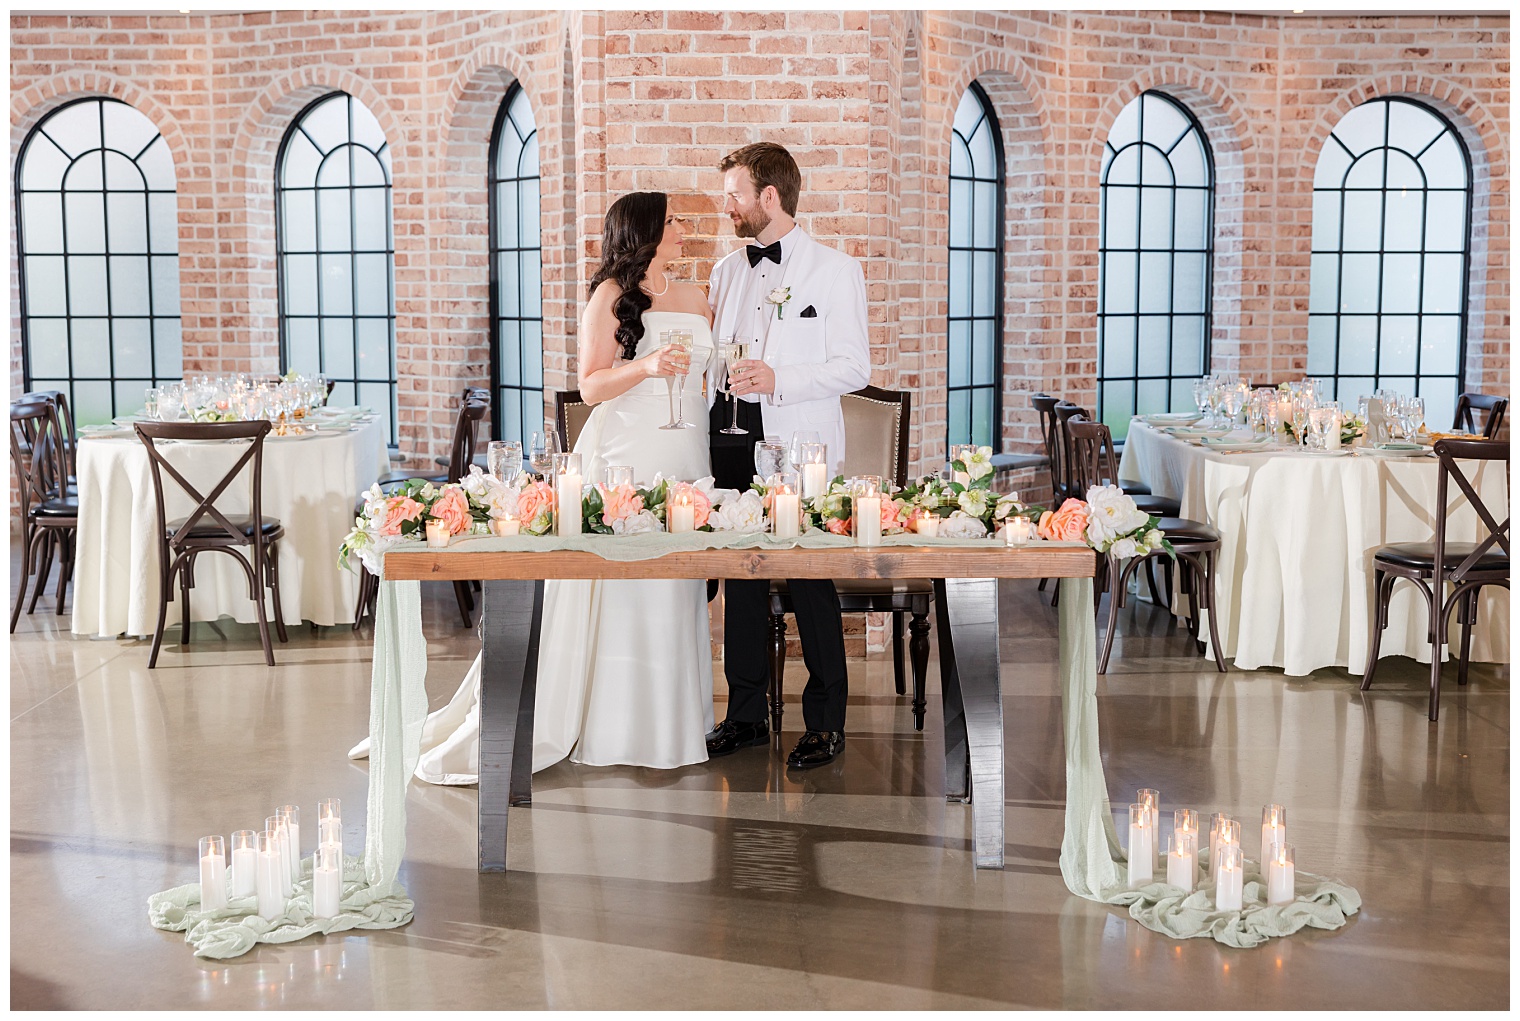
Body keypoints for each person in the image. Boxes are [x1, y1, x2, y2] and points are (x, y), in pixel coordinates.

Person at [350, 192, 717, 779]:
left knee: (676, 575)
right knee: (626, 577)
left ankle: (676, 718)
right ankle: (618, 721)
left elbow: (711, 372)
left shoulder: (697, 296)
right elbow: (591, 386)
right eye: (672, 221)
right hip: (628, 448)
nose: (682, 228)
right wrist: (647, 366)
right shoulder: (608, 298)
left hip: (685, 442)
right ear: (645, 231)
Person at [703, 142, 871, 769]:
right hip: (729, 436)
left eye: (735, 195)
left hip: (799, 448)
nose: (728, 206)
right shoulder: (725, 272)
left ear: (768, 197)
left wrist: (779, 378)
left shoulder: (835, 270)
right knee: (741, 574)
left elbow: (855, 367)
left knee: (808, 577)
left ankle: (826, 722)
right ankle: (745, 714)